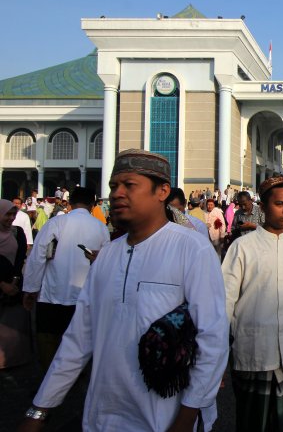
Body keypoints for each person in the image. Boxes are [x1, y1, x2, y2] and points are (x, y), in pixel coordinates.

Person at [18, 149, 229, 431]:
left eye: (129, 185)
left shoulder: (192, 249)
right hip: (102, 415)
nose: (117, 193)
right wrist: (39, 410)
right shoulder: (107, 255)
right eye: (113, 186)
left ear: (162, 191)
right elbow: (79, 338)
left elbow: (212, 339)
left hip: (164, 416)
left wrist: (187, 415)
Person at [222, 177, 283, 432]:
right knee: (255, 423)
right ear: (263, 208)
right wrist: (217, 354)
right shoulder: (242, 247)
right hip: (254, 351)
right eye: (279, 204)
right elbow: (225, 302)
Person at [22, 187, 110, 371]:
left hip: (52, 292)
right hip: (84, 294)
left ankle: (49, 376)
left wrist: (31, 288)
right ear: (92, 204)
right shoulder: (101, 228)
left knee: (48, 338)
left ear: (70, 203)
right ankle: (75, 375)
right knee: (79, 339)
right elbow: (106, 262)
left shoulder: (56, 223)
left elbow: (37, 256)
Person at [0, 199, 31, 369]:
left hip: (14, 283)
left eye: (13, 214)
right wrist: (2, 284)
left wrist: (14, 281)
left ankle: (11, 359)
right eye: (7, 214)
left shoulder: (17, 232)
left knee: (13, 324)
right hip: (2, 284)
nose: (11, 218)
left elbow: (20, 259)